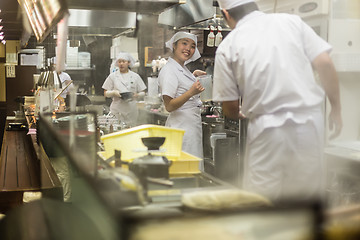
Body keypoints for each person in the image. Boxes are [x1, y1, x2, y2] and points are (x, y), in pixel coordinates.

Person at [212, 0, 342, 202]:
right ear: (255, 6)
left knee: (262, 199)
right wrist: (335, 109)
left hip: (267, 128)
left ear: (226, 14)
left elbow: (229, 107)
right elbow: (324, 63)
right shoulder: (292, 22)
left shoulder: (228, 45)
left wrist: (239, 112)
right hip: (309, 123)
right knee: (305, 200)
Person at [158, 32, 207, 166]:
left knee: (191, 165)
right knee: (186, 167)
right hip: (181, 128)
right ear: (174, 45)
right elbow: (169, 106)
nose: (188, 49)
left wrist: (192, 76)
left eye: (192, 46)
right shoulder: (169, 70)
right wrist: (191, 92)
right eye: (184, 43)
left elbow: (179, 85)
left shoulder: (181, 68)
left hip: (189, 126)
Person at [102, 52, 146, 127]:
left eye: (123, 61)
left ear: (128, 63)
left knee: (130, 132)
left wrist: (137, 95)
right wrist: (114, 93)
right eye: (119, 62)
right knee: (117, 131)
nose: (121, 64)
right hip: (117, 109)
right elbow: (105, 93)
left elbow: (143, 92)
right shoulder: (113, 76)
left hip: (131, 110)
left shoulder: (135, 76)